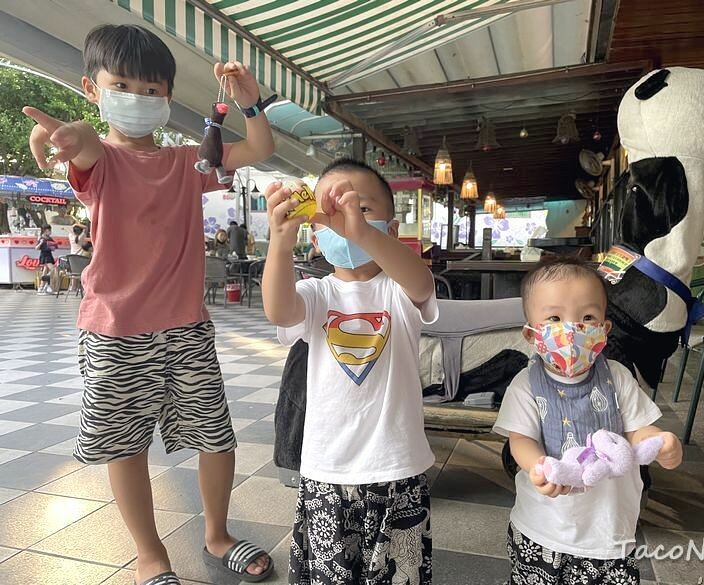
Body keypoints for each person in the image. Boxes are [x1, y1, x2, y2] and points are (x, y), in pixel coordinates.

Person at [24, 24, 276, 585]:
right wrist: (71, 135)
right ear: (92, 88)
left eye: (152, 89)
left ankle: (217, 534)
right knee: (125, 445)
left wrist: (250, 102)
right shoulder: (99, 163)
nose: (138, 98)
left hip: (187, 327)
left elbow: (261, 149)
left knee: (217, 436)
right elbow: (85, 144)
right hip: (115, 330)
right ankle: (149, 553)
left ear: (168, 96)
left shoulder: (189, 161)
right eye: (122, 86)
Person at [263, 159, 438, 585]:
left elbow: (421, 283)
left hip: (397, 467)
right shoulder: (317, 293)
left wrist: (362, 233)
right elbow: (279, 310)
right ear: (316, 237)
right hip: (328, 469)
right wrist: (280, 243)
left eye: (361, 207)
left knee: (401, 574)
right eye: (333, 210)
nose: (345, 218)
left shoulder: (398, 292)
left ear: (390, 230)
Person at [493, 258, 683, 585]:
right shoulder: (526, 385)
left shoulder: (618, 377)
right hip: (543, 529)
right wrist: (538, 467)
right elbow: (520, 439)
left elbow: (637, 429)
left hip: (608, 530)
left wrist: (659, 443)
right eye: (555, 318)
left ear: (604, 330)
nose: (573, 330)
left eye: (587, 318)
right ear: (532, 334)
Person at [35, 224, 57, 295]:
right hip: (45, 255)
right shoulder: (41, 238)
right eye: (49, 230)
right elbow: (36, 248)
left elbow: (54, 246)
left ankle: (41, 287)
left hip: (49, 255)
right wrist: (41, 243)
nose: (50, 232)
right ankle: (48, 284)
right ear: (44, 231)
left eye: (50, 230)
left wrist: (53, 247)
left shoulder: (50, 238)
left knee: (45, 271)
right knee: (53, 269)